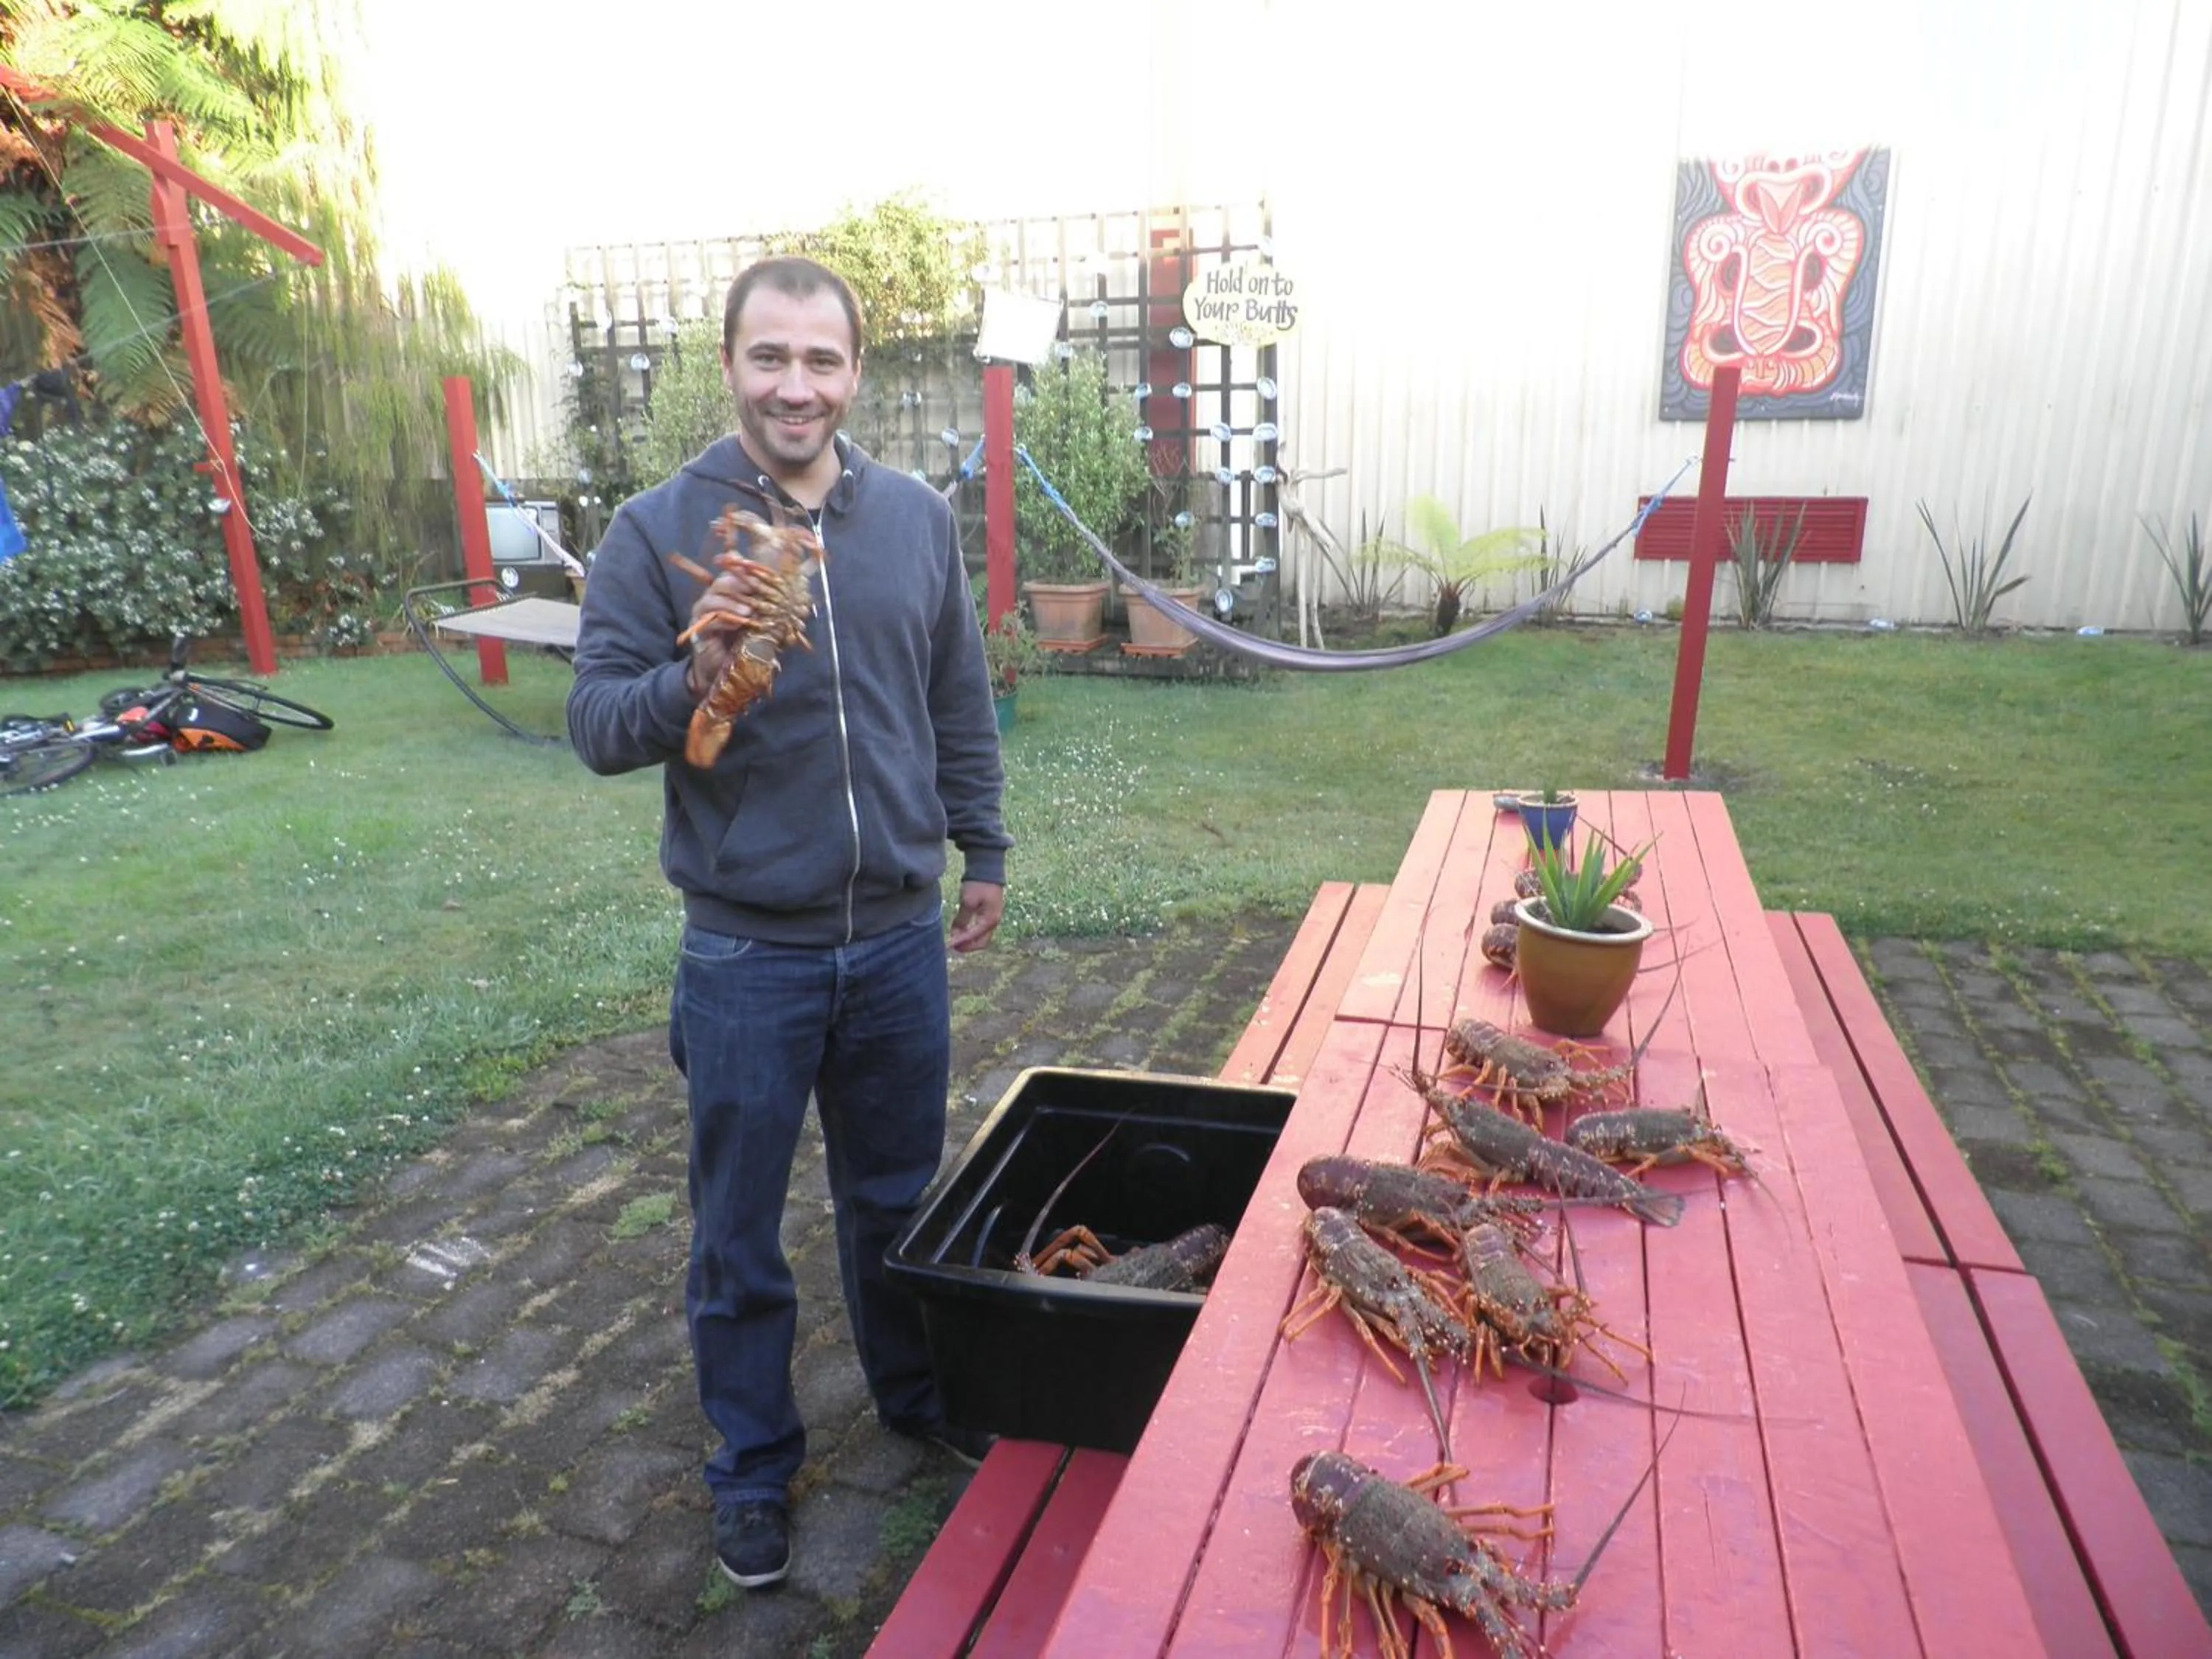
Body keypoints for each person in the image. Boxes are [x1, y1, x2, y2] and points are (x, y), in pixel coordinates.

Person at [565, 255, 1009, 1591]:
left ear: (855, 372)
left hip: (895, 941)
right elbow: (593, 723)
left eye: (822, 360)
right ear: (730, 365)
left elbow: (957, 699)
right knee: (736, 1228)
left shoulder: (916, 520)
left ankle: (916, 1395)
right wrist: (688, 674)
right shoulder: (658, 529)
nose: (796, 385)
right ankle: (753, 1466)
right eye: (771, 357)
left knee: (894, 1195)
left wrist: (980, 841)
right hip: (746, 948)